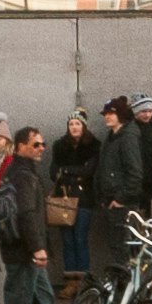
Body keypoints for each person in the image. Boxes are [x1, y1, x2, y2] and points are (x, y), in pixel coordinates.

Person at [0, 124, 59, 304]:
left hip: (25, 249)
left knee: (44, 300)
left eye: (43, 144)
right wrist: (38, 248)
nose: (42, 148)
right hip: (23, 251)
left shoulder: (21, 171)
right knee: (17, 301)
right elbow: (28, 214)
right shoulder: (23, 175)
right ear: (21, 147)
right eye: (36, 144)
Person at [89, 97, 145, 273]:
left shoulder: (127, 137)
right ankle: (125, 287)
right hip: (111, 202)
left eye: (111, 113)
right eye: (106, 113)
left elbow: (135, 173)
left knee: (124, 249)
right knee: (118, 247)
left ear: (121, 115)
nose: (107, 117)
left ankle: (129, 289)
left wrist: (122, 198)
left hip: (122, 205)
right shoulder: (113, 136)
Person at [51, 110, 102, 284]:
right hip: (63, 198)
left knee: (80, 238)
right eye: (71, 124)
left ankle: (83, 281)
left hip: (84, 199)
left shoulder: (93, 145)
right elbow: (53, 172)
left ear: (84, 126)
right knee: (67, 240)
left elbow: (88, 171)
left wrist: (65, 170)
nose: (74, 127)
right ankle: (70, 282)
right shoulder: (59, 145)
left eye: (77, 124)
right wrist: (75, 173)